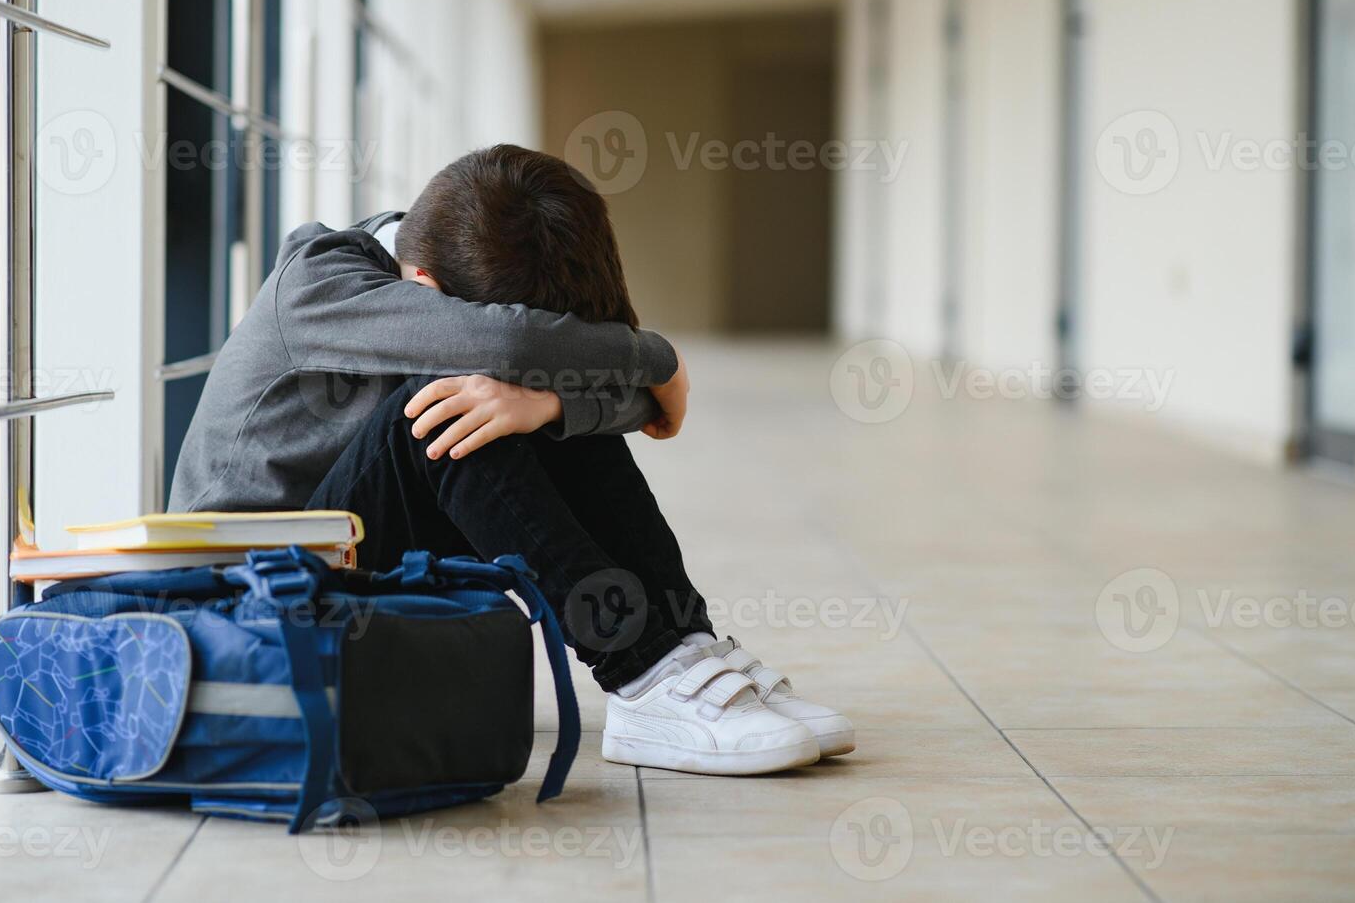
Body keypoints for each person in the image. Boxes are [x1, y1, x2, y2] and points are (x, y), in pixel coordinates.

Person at [170, 144, 853, 775]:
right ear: (428, 289)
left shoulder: (450, 268)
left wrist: (550, 407)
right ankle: (639, 670)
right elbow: (515, 349)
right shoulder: (321, 282)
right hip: (254, 594)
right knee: (438, 410)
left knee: (510, 400)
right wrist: (654, 356)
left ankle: (679, 649)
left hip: (353, 553)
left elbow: (600, 393)